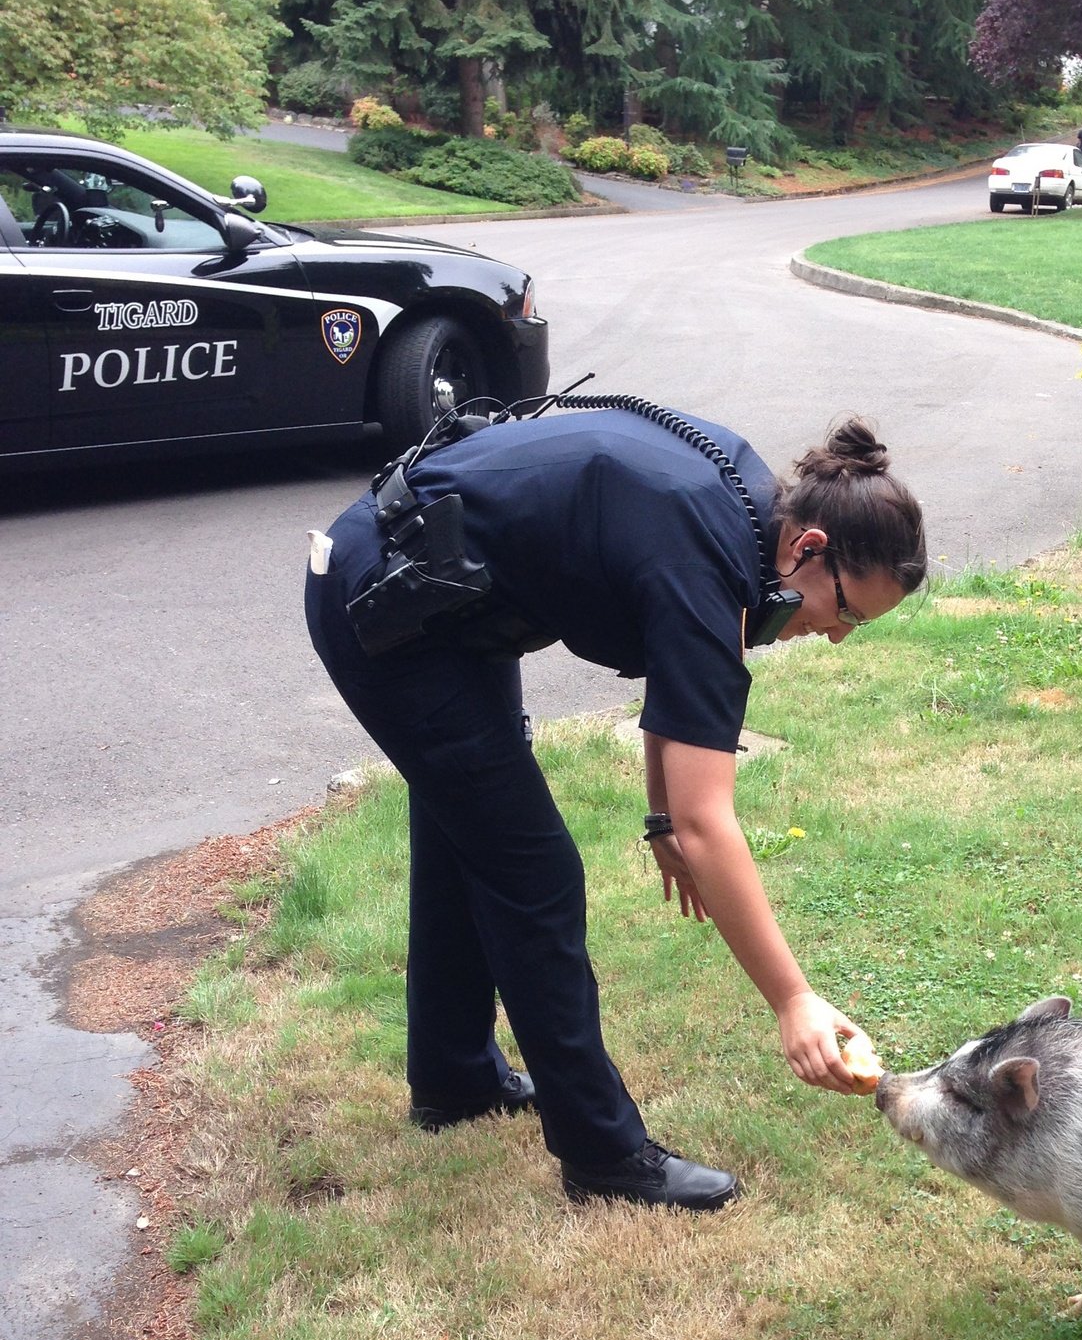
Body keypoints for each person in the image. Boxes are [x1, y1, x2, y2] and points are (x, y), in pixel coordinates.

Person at [305, 402, 927, 1212]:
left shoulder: (748, 509)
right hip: (388, 601)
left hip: (448, 594)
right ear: (809, 547)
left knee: (473, 830)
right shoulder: (705, 559)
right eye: (844, 611)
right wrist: (793, 1000)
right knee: (534, 871)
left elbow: (678, 696)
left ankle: (454, 1080)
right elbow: (713, 821)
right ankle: (602, 1154)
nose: (838, 636)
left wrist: (661, 816)